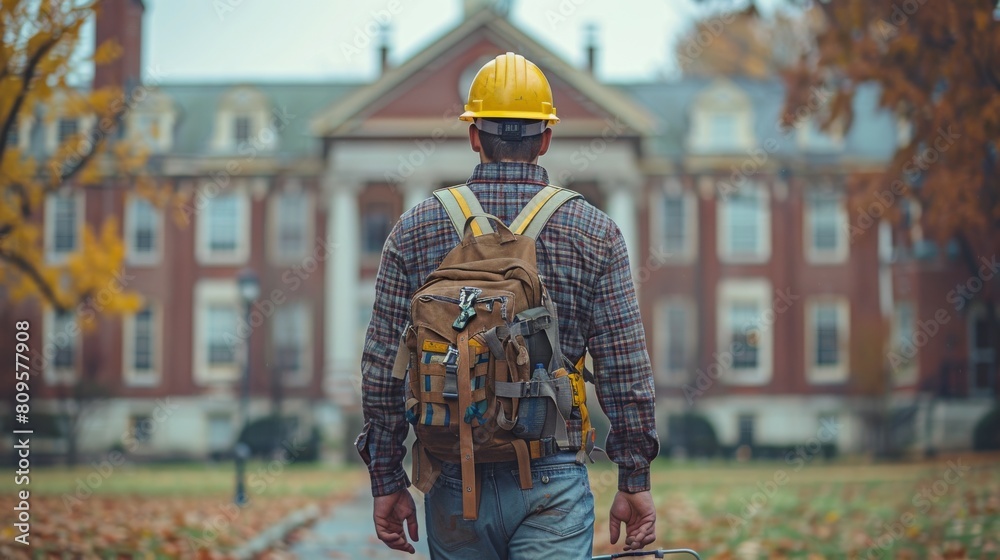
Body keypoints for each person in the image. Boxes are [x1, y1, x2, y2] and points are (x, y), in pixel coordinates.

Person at [358, 51, 659, 559]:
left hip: (455, 477)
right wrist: (634, 477)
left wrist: (387, 478)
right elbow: (626, 368)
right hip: (553, 474)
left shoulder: (415, 228)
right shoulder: (594, 231)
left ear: (474, 134)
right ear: (546, 137)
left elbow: (383, 369)